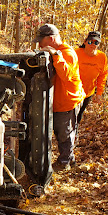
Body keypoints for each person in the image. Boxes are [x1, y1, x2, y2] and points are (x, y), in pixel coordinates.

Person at [34, 24, 86, 171]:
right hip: (59, 100)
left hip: (68, 101)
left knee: (65, 133)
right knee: (61, 131)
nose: (39, 44)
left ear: (51, 39)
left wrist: (56, 55)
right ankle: (70, 159)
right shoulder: (56, 52)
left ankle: (64, 163)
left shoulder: (66, 53)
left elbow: (66, 75)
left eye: (41, 41)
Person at [75, 31, 108, 124]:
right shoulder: (76, 53)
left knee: (79, 115)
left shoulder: (102, 57)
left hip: (88, 92)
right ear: (85, 42)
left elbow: (102, 75)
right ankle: (68, 135)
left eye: (96, 43)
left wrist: (99, 93)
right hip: (73, 91)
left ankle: (74, 134)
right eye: (90, 42)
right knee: (70, 114)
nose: (92, 44)